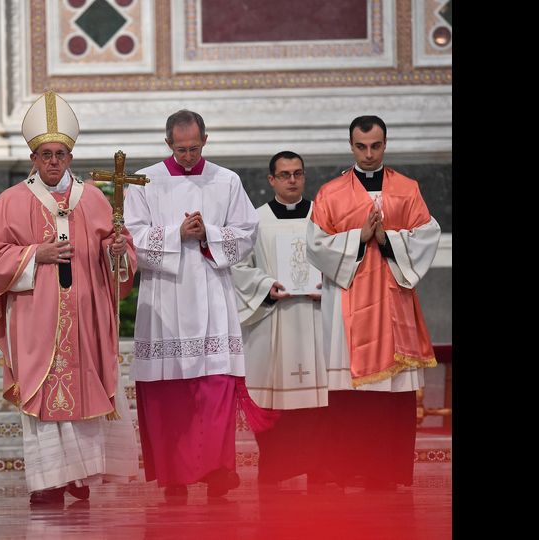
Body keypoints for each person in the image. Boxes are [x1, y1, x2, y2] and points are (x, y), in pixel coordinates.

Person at [0, 91, 140, 505]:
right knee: (44, 394)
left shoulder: (95, 198)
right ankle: (49, 481)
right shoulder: (11, 201)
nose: (52, 161)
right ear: (33, 158)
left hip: (85, 317)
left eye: (60, 153)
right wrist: (35, 254)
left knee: (84, 388)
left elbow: (118, 254)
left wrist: (117, 253)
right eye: (45, 154)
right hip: (36, 319)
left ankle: (80, 476)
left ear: (70, 156)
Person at [124, 109, 262, 503]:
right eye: (181, 149)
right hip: (165, 300)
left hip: (211, 296)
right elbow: (131, 236)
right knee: (170, 396)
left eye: (195, 148)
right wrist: (175, 233)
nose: (188, 156)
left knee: (216, 389)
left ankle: (218, 471)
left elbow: (247, 233)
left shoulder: (227, 180)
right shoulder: (144, 181)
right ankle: (175, 479)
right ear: (167, 143)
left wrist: (209, 236)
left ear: (206, 140)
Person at [305, 115, 440, 490]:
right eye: (361, 147)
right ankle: (349, 468)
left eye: (376, 146)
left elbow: (428, 234)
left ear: (385, 144)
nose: (368, 154)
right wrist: (358, 238)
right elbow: (315, 245)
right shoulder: (331, 193)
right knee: (352, 398)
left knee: (391, 398)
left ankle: (388, 473)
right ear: (351, 146)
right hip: (348, 308)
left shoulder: (407, 189)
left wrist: (387, 240)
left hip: (394, 309)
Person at [231, 151, 329, 487]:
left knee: (320, 407)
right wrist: (265, 286)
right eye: (284, 174)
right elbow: (239, 269)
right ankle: (274, 470)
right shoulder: (255, 221)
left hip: (317, 320)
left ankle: (320, 471)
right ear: (271, 179)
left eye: (297, 174)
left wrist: (326, 288)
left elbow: (343, 261)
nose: (292, 180)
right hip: (275, 321)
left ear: (304, 176)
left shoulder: (323, 217)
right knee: (278, 407)